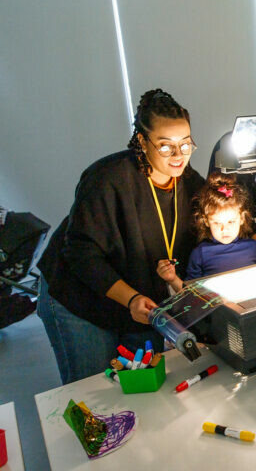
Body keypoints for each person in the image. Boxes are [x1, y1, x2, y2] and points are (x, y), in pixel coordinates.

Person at [36, 89, 205, 385]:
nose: (179, 156)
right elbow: (81, 253)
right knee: (94, 388)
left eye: (186, 144)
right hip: (80, 298)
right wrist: (131, 298)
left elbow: (220, 206)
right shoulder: (108, 178)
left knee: (142, 387)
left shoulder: (187, 179)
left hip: (141, 302)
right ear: (142, 141)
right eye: (166, 147)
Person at [158, 174, 256, 288]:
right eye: (217, 223)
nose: (224, 229)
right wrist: (172, 279)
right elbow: (190, 294)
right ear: (206, 221)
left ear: (242, 219)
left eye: (231, 222)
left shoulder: (253, 247)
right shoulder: (200, 254)